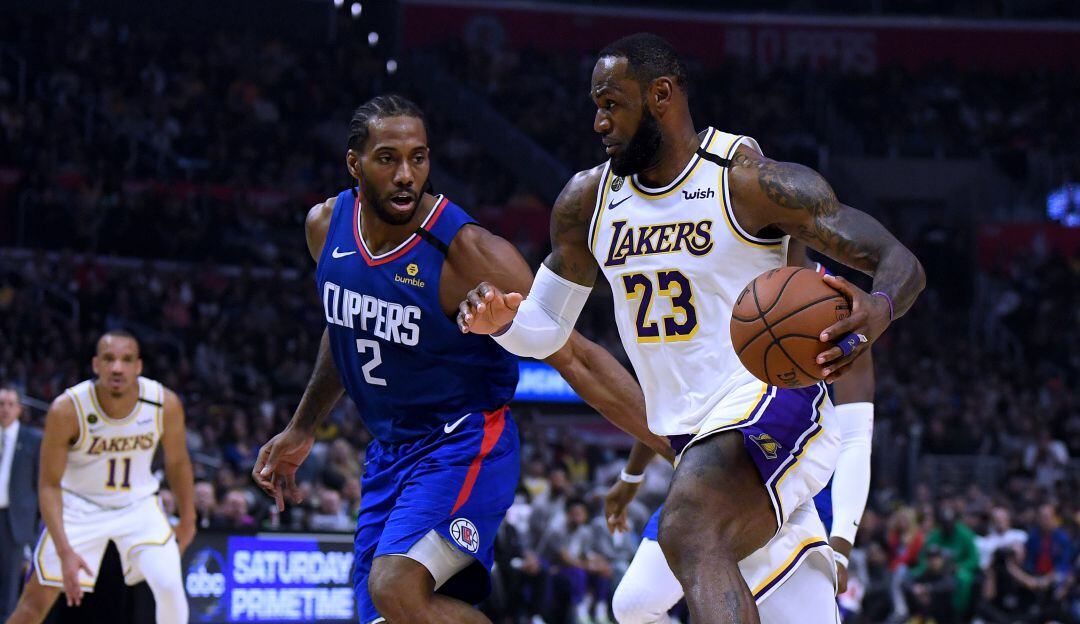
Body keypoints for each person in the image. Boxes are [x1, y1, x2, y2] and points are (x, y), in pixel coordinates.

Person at [458, 33, 924, 623]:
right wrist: (503, 325)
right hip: (689, 436)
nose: (599, 122)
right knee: (636, 605)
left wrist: (880, 307)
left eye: (611, 104)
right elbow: (547, 329)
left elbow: (900, 261)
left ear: (661, 95)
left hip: (774, 400)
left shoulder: (746, 182)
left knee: (688, 525)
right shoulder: (586, 202)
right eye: (596, 106)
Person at [251, 95, 672, 624]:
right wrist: (302, 427)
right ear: (354, 164)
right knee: (386, 615)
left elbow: (577, 357)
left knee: (394, 587)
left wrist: (678, 448)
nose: (406, 175)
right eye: (387, 159)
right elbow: (345, 328)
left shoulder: (469, 252)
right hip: (389, 454)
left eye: (418, 157)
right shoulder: (326, 226)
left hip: (466, 442)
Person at [604, 244, 877, 624]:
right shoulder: (724, 282)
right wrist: (632, 474)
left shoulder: (839, 305)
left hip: (799, 477)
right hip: (718, 472)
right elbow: (679, 403)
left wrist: (842, 545)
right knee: (633, 605)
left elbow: (855, 437)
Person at [5, 330, 195, 624]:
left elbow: (178, 462)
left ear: (138, 366)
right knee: (33, 605)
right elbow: (49, 485)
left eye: (126, 360)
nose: (117, 368)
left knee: (169, 587)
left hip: (139, 507)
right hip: (79, 508)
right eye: (109, 359)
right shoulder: (67, 409)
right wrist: (65, 551)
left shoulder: (164, 403)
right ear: (96, 365)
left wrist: (189, 520)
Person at [0, 387, 42, 620]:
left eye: (10, 404)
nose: (5, 409)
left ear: (19, 409)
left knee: (9, 585)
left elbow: (40, 484)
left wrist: (35, 527)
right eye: (1, 404)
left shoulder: (32, 440)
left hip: (14, 521)